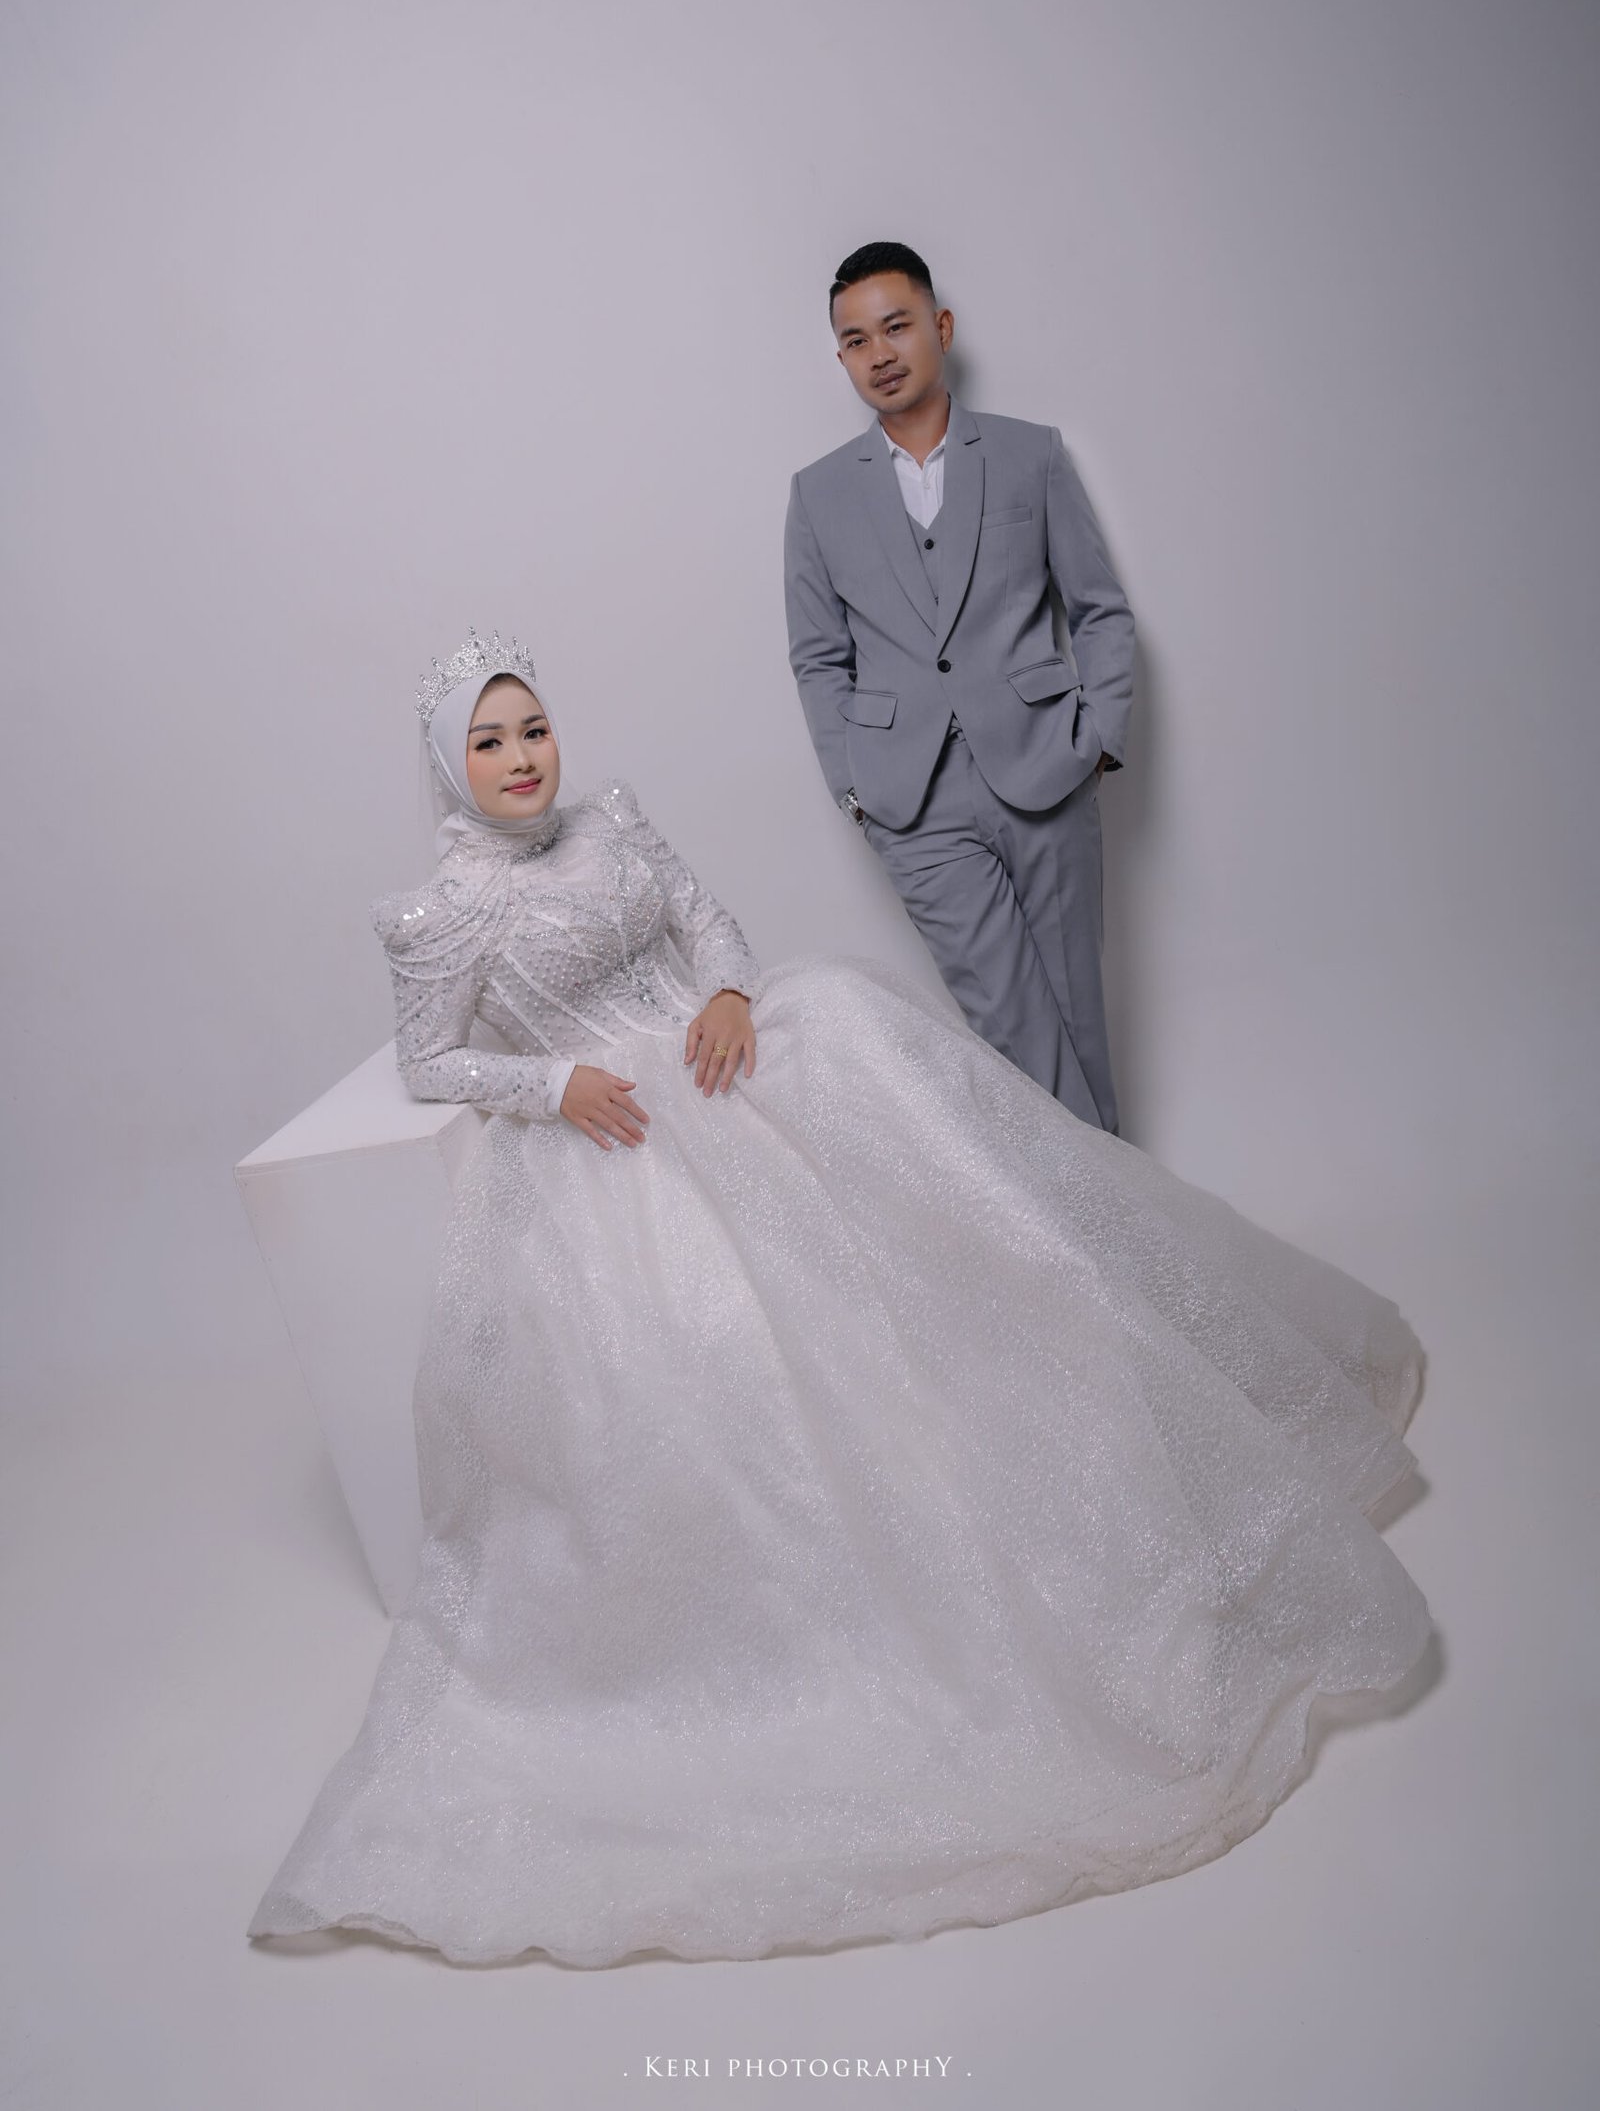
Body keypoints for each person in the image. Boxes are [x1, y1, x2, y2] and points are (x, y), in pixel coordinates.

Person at [247, 628, 1432, 1970]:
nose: (523, 758)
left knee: (934, 1167)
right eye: (489, 741)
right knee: (731, 1339)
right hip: (618, 1129)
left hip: (727, 1058)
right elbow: (431, 1060)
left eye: (533, 729)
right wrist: (551, 1083)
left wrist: (730, 992)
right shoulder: (437, 914)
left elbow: (706, 920)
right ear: (447, 763)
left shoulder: (614, 820)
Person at [784, 240, 1134, 1131]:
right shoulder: (818, 495)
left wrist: (1098, 736)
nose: (880, 353)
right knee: (1014, 1028)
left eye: (896, 326)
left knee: (1076, 1020)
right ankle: (1109, 1210)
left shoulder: (1030, 455)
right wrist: (853, 786)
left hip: (1045, 769)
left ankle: (1111, 1212)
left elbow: (1099, 608)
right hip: (913, 801)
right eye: (857, 340)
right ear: (841, 357)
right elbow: (818, 656)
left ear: (940, 327)